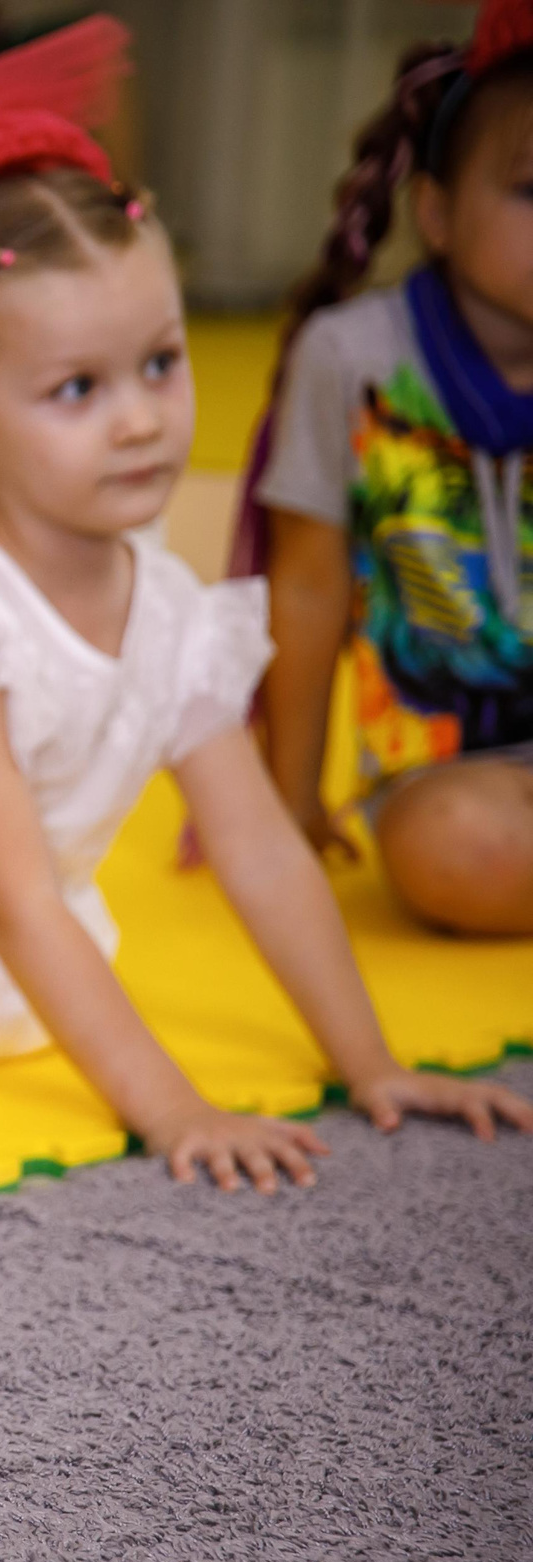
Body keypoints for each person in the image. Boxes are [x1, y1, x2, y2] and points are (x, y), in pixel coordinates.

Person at [0, 24, 533, 1191]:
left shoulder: (167, 604)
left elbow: (261, 850)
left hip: (19, 951)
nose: (140, 419)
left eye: (161, 362)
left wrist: (370, 1064)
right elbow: (13, 898)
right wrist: (174, 1112)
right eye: (76, 388)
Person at [237, 0, 533, 937]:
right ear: (436, 211)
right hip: (453, 775)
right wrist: (288, 806)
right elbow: (310, 587)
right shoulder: (352, 359)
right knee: (454, 848)